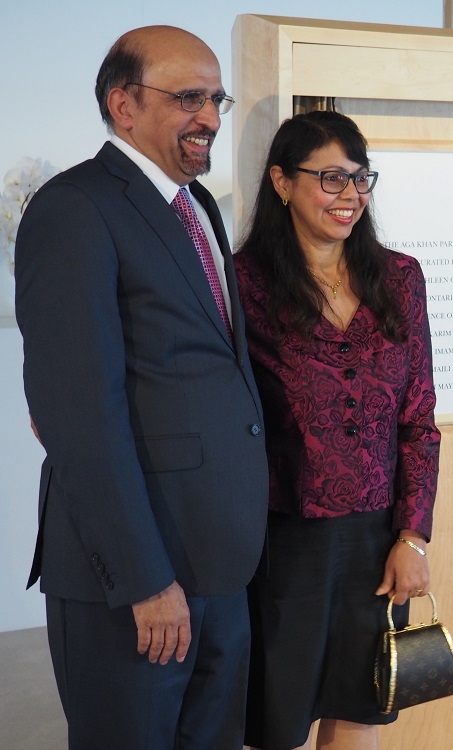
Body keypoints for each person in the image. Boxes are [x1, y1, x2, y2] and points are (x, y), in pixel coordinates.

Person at [15, 26, 268, 750]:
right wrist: (144, 580)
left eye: (216, 99)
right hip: (135, 578)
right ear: (122, 105)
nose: (210, 117)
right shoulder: (73, 208)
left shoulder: (199, 206)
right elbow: (79, 418)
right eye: (188, 98)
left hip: (219, 566)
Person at [235, 110, 441, 750]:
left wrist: (413, 536)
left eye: (360, 178)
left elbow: (419, 419)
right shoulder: (243, 286)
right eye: (331, 178)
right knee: (280, 717)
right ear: (281, 182)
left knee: (362, 705)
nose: (350, 195)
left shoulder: (400, 278)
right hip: (284, 538)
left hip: (378, 541)